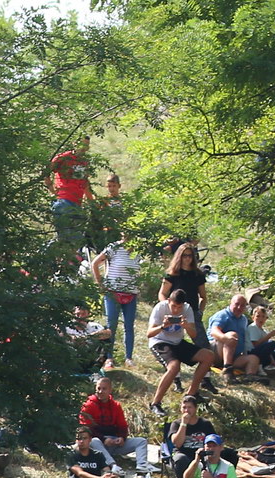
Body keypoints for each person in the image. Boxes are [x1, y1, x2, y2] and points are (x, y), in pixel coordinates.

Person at [145, 291, 216, 414]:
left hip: (178, 342)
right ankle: (155, 403)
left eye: (179, 307)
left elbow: (193, 334)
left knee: (208, 356)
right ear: (168, 301)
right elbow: (149, 334)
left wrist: (187, 326)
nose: (176, 310)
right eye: (173, 306)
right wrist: (163, 326)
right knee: (174, 366)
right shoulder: (160, 307)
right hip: (159, 341)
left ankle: (191, 394)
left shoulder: (187, 308)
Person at [91, 234, 143, 365]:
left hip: (131, 293)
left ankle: (129, 358)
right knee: (111, 326)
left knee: (129, 325)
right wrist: (100, 284)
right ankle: (109, 358)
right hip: (112, 293)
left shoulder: (139, 250)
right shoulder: (113, 247)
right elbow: (95, 263)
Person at [78, 376, 147, 463]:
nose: (100, 391)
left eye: (104, 389)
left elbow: (122, 426)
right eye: (98, 388)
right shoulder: (88, 406)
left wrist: (122, 438)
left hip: (113, 442)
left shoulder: (116, 406)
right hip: (97, 443)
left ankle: (142, 466)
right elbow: (86, 429)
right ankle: (112, 465)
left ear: (110, 390)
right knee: (93, 441)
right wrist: (104, 439)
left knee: (141, 441)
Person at [162, 394, 218, 478]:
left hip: (203, 453)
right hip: (184, 453)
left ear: (195, 408)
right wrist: (184, 424)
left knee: (230, 453)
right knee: (180, 459)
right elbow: (177, 443)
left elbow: (214, 442)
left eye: (190, 407)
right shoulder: (176, 424)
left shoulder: (205, 424)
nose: (186, 410)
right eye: (184, 407)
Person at [206, 292, 267, 381]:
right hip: (215, 351)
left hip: (234, 356)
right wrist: (226, 339)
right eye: (237, 304)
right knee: (232, 335)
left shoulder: (244, 319)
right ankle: (227, 370)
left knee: (253, 358)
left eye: (242, 305)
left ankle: (250, 376)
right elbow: (214, 331)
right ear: (231, 304)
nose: (239, 307)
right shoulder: (223, 315)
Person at [49, 136, 93, 252]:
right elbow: (46, 172)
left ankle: (69, 266)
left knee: (76, 241)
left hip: (77, 205)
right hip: (63, 203)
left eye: (86, 145)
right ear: (74, 144)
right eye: (81, 144)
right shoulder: (63, 158)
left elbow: (85, 184)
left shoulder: (85, 162)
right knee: (65, 240)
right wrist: (53, 191)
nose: (84, 148)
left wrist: (92, 203)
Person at [158, 242, 207, 326]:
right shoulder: (171, 274)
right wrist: (168, 308)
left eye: (190, 256)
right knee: (171, 338)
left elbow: (203, 296)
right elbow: (162, 293)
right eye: (184, 255)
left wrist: (200, 312)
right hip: (174, 312)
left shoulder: (198, 274)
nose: (187, 258)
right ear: (179, 256)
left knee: (201, 339)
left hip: (192, 312)